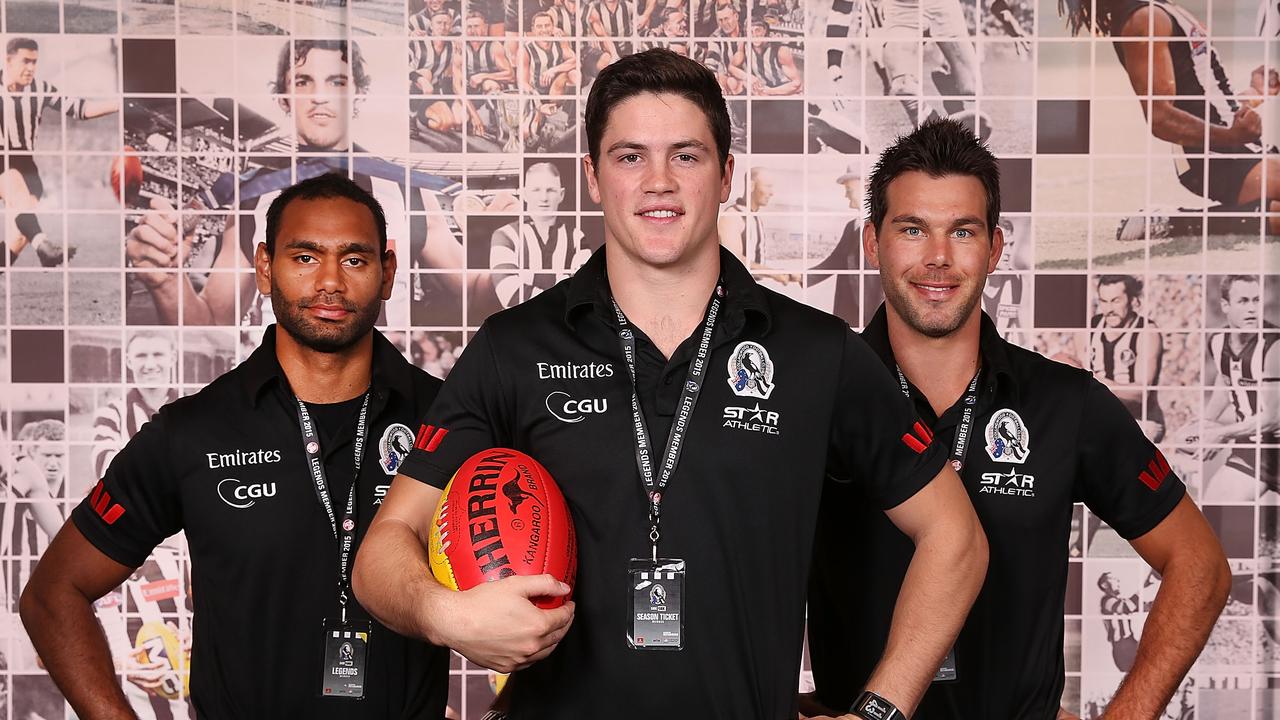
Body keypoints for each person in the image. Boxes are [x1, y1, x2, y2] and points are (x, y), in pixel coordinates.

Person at [353, 48, 987, 720]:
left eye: (686, 155)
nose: (659, 181)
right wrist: (446, 615)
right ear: (593, 177)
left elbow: (956, 538)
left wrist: (879, 712)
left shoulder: (817, 353)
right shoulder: (513, 349)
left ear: (726, 175)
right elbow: (382, 551)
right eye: (630, 157)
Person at [806, 119, 1230, 720]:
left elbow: (1200, 565)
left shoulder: (1064, 403)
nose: (938, 258)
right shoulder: (813, 396)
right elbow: (732, 556)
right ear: (873, 243)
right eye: (912, 229)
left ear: (995, 249)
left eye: (962, 231)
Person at [20, 174, 450, 718]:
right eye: (304, 257)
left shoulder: (450, 420)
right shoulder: (194, 430)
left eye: (354, 259)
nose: (330, 282)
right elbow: (52, 594)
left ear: (387, 272)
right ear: (265, 268)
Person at [125, 39, 467, 327]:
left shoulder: (408, 188)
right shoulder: (251, 196)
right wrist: (168, 284)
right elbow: (213, 321)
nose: (320, 96)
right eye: (303, 82)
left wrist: (495, 235)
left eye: (336, 82)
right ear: (283, 98)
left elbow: (474, 288)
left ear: (358, 94)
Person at [1059, 0, 1280, 236]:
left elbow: (1206, 98)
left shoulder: (1159, 10)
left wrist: (1254, 94)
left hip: (1233, 146)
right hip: (1215, 156)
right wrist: (1230, 136)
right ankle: (1175, 223)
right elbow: (1160, 118)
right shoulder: (1145, 19)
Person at [1, 37, 118, 267]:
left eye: (34, 62)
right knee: (19, 199)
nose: (31, 68)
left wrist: (119, 104)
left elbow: (81, 109)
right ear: (8, 60)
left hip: (27, 165)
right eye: (25, 61)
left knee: (20, 236)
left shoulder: (41, 89)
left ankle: (38, 246)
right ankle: (44, 247)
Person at [1199, 275, 1278, 501]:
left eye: (1256, 300)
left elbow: (1273, 418)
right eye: (1243, 301)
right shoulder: (1217, 341)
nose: (1252, 308)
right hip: (1252, 451)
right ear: (1225, 305)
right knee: (1214, 506)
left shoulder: (1274, 346)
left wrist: (1221, 433)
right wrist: (1206, 423)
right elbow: (1227, 381)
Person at [490, 162, 588, 308]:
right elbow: (509, 293)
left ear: (561, 195)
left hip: (561, 323)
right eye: (536, 190)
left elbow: (583, 289)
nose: (544, 198)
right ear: (524, 194)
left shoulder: (576, 237)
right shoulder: (505, 235)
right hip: (523, 323)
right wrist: (560, 289)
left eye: (550, 190)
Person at [519, 12, 579, 95]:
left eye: (547, 25)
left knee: (574, 74)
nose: (544, 30)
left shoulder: (559, 42)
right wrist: (533, 94)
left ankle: (572, 103)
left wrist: (553, 70)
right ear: (533, 29)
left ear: (553, 27)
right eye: (539, 26)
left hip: (557, 87)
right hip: (536, 91)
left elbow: (576, 62)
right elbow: (522, 82)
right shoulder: (526, 49)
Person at [746, 18, 802, 96]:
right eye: (750, 32)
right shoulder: (746, 48)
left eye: (758, 30)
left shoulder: (780, 50)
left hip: (786, 93)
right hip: (765, 94)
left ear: (764, 31)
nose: (754, 35)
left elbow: (796, 84)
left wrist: (770, 91)